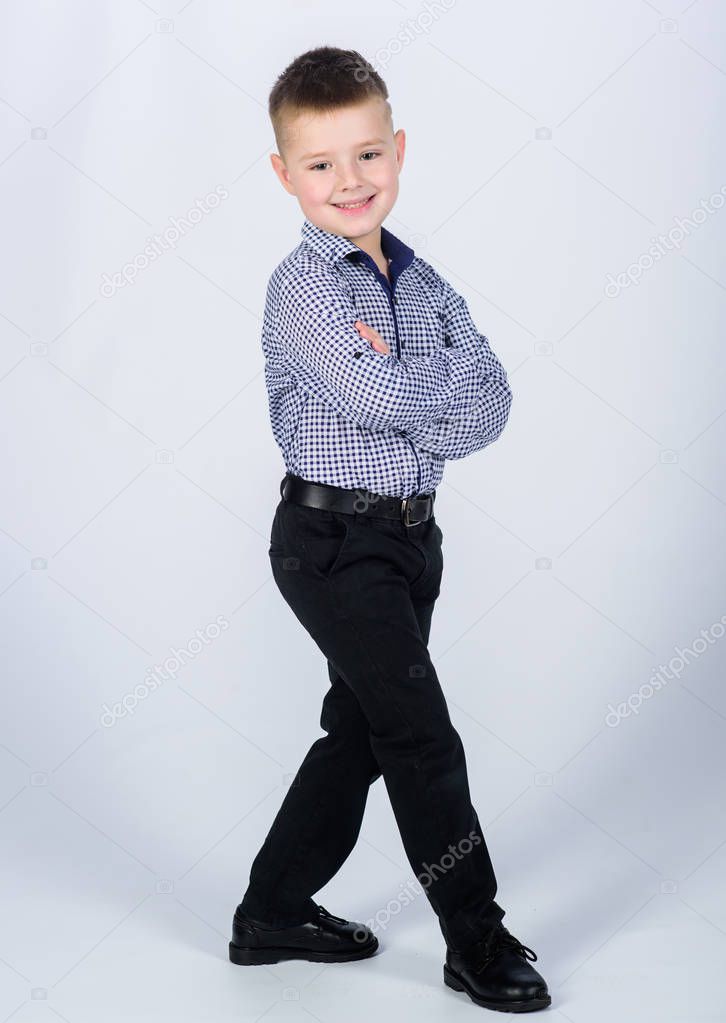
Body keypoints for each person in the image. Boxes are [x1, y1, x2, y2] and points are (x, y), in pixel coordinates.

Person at [228, 45, 551, 1013]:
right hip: (330, 546)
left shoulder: (419, 278)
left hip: (413, 539)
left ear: (398, 152)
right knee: (421, 738)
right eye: (321, 164)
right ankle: (476, 941)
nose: (349, 181)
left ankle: (272, 910)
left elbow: (490, 402)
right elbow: (368, 397)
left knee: (362, 733)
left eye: (367, 155)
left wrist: (423, 390)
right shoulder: (305, 288)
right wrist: (426, 387)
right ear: (284, 175)